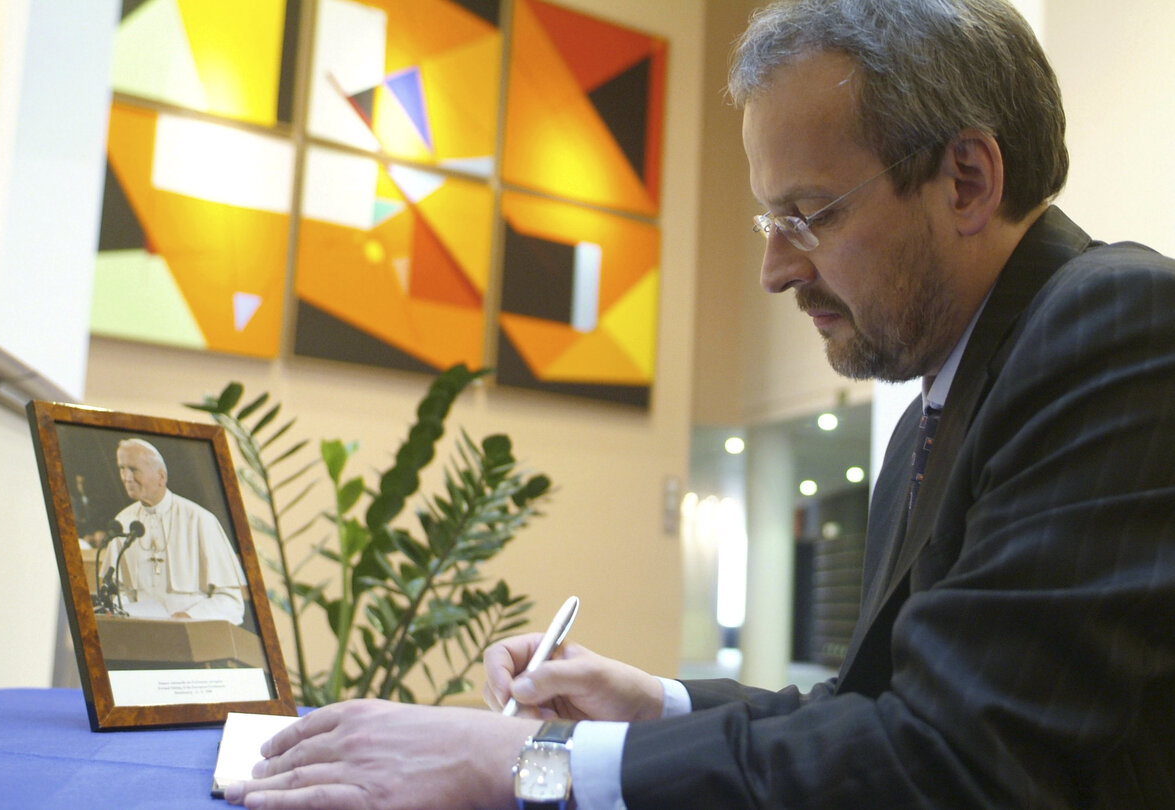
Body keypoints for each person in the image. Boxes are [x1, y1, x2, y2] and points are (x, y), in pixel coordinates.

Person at [225, 1, 1175, 807]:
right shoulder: (944, 405)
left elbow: (953, 760)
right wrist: (652, 704)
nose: (773, 269)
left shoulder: (1115, 325)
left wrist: (516, 759)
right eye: (772, 222)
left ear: (965, 180)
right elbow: (874, 714)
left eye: (810, 216)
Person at [106, 438, 248, 625]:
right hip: (141, 637)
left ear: (161, 477)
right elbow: (119, 591)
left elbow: (231, 601)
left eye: (133, 470)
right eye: (121, 469)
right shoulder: (123, 522)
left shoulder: (199, 520)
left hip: (197, 637)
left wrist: (191, 617)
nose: (126, 477)